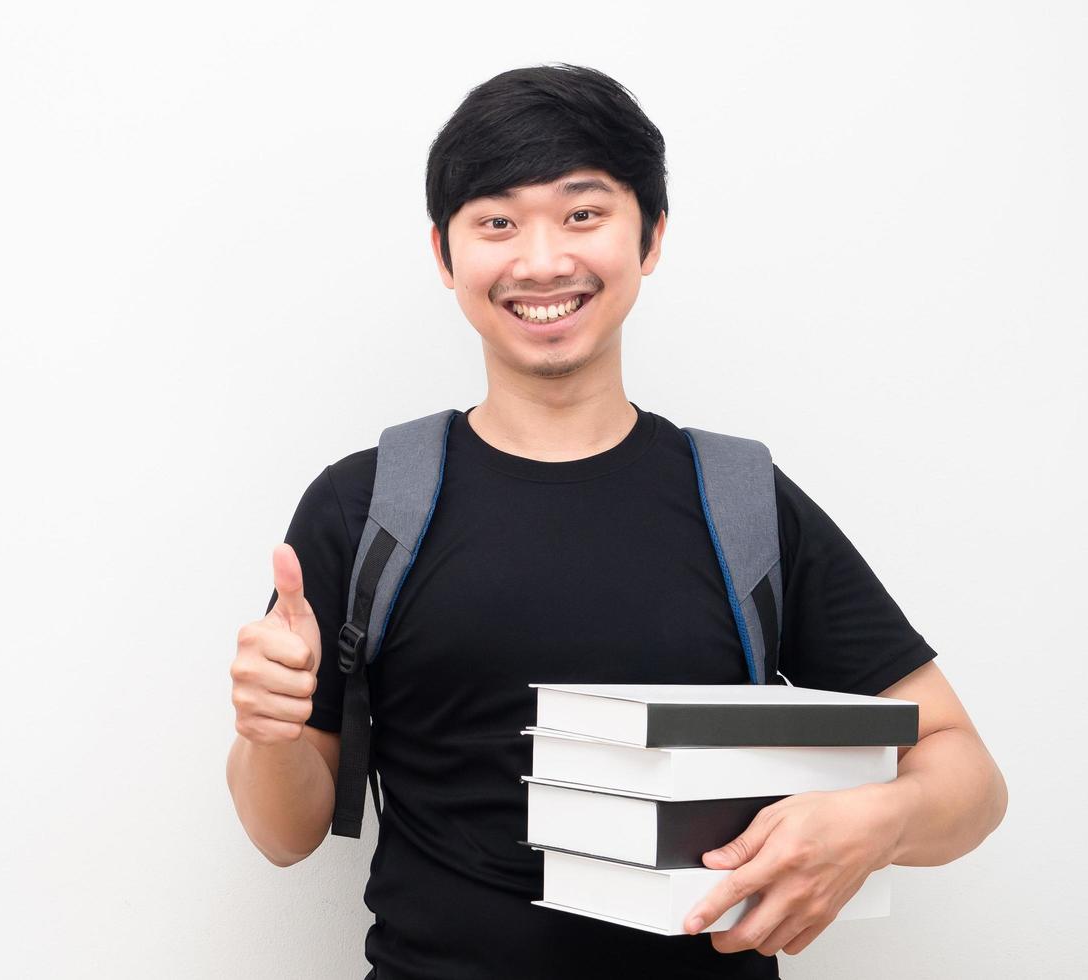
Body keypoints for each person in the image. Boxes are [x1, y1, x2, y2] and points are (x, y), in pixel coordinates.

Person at [224, 64, 1008, 980]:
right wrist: (265, 732)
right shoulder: (366, 505)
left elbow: (969, 779)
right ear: (445, 255)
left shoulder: (742, 499)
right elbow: (285, 836)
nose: (543, 259)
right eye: (498, 221)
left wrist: (877, 821)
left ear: (652, 237)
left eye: (583, 213)